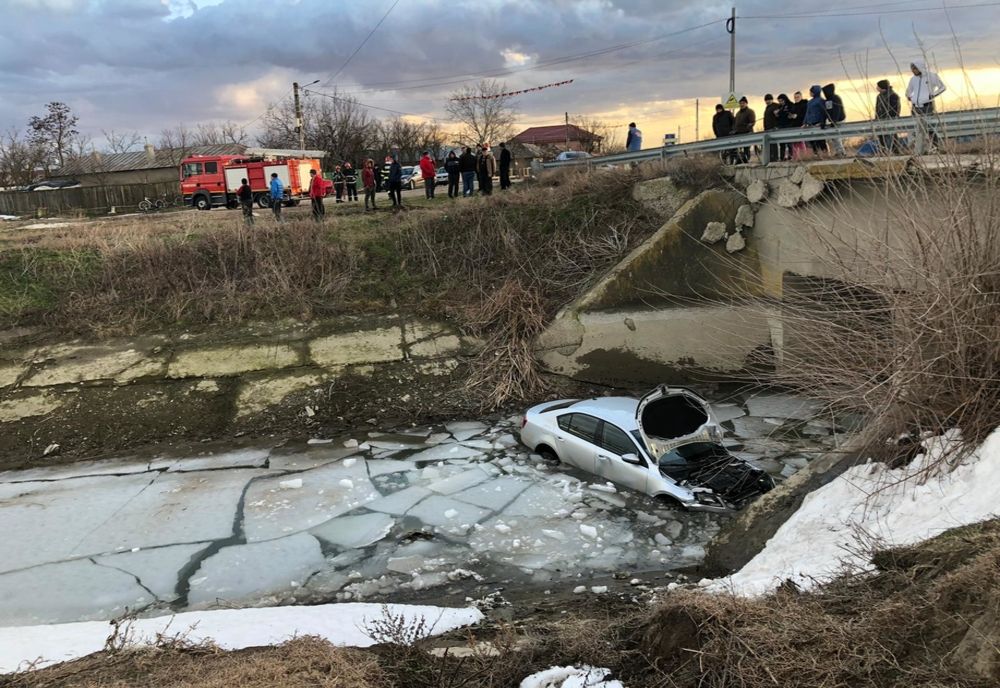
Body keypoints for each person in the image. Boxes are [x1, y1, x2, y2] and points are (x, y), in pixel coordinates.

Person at [906, 60, 946, 152]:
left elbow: (942, 87)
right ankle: (921, 149)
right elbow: (909, 90)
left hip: (928, 105)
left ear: (920, 67)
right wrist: (909, 96)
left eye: (915, 69)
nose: (913, 71)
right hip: (916, 106)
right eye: (912, 69)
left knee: (929, 128)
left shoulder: (931, 76)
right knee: (918, 129)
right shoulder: (913, 79)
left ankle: (935, 148)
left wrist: (932, 95)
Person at [875, 79, 902, 153]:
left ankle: (895, 151)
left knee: (892, 135)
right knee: (881, 136)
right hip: (880, 119)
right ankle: (883, 151)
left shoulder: (893, 96)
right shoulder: (879, 96)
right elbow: (877, 108)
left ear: (882, 87)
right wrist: (876, 118)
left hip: (890, 119)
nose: (877, 88)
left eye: (878, 87)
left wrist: (891, 118)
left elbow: (896, 109)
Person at [821, 84, 846, 157]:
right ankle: (838, 151)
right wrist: (823, 122)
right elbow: (825, 112)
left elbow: (837, 110)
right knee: (833, 137)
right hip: (832, 121)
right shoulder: (827, 101)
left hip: (839, 120)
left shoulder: (836, 98)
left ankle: (842, 152)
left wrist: (834, 120)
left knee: (836, 136)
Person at [803, 85, 828, 156]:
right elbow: (807, 113)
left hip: (818, 123)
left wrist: (821, 122)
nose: (810, 93)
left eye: (811, 92)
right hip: (810, 123)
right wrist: (805, 122)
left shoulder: (821, 100)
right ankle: (816, 154)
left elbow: (823, 112)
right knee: (812, 140)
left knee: (821, 139)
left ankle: (825, 153)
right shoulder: (810, 102)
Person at [733, 97, 756, 164]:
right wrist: (734, 130)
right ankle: (739, 160)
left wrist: (749, 125)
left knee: (746, 148)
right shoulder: (738, 113)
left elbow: (752, 122)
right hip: (739, 133)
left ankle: (747, 159)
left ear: (746, 103)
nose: (741, 104)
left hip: (747, 132)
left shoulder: (750, 111)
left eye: (743, 103)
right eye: (740, 103)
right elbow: (735, 123)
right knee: (738, 148)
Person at [775, 94, 797, 160]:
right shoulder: (779, 107)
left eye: (781, 101)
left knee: (789, 142)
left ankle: (791, 156)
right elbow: (778, 117)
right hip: (781, 126)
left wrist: (790, 114)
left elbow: (793, 113)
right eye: (779, 101)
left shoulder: (790, 104)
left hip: (788, 125)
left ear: (785, 99)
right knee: (782, 143)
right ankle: (782, 157)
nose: (780, 102)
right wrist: (776, 114)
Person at [762, 94, 781, 163]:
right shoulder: (767, 107)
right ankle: (770, 158)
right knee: (769, 144)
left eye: (769, 100)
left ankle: (775, 158)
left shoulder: (775, 106)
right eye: (766, 100)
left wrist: (776, 126)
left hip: (773, 128)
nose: (768, 101)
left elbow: (778, 116)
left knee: (774, 143)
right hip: (767, 128)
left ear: (772, 99)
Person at [790, 91, 809, 159]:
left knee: (801, 141)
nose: (796, 98)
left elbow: (805, 115)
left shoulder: (804, 104)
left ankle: (804, 155)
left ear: (801, 97)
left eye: (797, 97)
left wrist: (797, 116)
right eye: (795, 97)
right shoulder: (794, 105)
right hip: (794, 125)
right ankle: (795, 156)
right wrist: (791, 116)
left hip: (801, 124)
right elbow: (792, 113)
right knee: (794, 142)